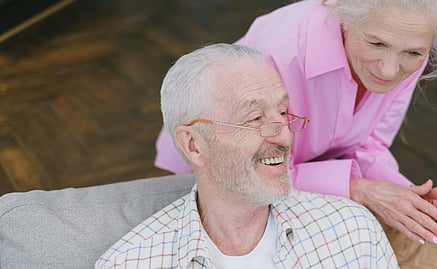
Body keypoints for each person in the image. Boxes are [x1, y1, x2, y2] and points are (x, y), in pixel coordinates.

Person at [154, 0, 437, 247]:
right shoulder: (281, 54)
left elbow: (370, 143)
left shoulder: (410, 44)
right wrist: (360, 190)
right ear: (346, 18)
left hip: (300, 170)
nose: (389, 70)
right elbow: (249, 170)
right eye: (376, 44)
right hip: (227, 171)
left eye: (413, 52)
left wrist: (404, 197)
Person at [95, 43, 398, 268]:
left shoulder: (353, 229)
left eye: (282, 112)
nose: (282, 134)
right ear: (194, 145)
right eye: (254, 118)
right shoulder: (128, 263)